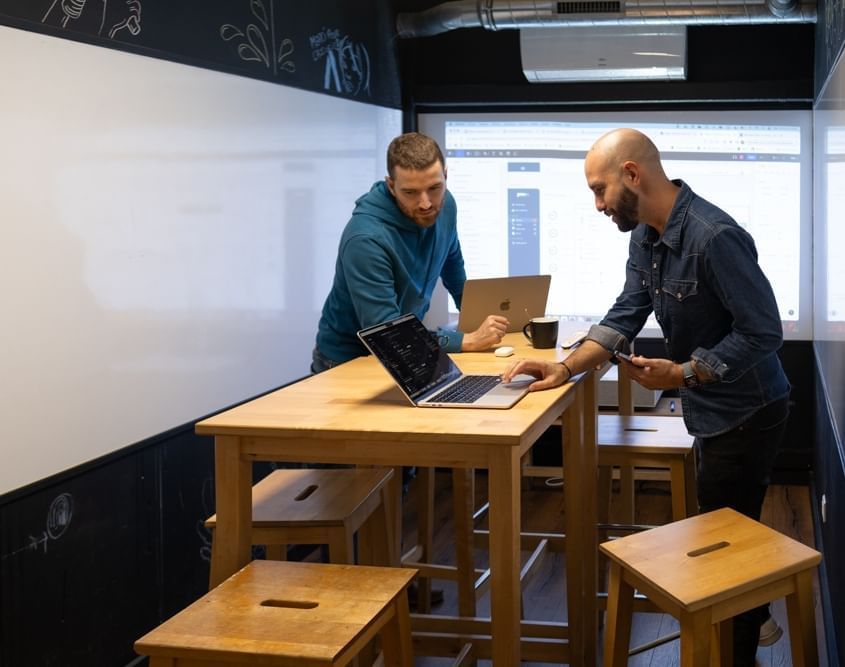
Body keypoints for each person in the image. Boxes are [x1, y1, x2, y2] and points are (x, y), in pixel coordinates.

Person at [502, 128, 790, 666]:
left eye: (600, 189)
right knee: (724, 533)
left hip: (749, 413)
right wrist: (563, 368)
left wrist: (683, 373)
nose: (597, 205)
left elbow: (764, 332)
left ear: (632, 175)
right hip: (710, 408)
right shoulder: (647, 237)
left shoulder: (714, 236)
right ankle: (751, 619)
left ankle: (742, 639)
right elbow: (623, 316)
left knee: (726, 545)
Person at [312, 131, 507, 374]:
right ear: (391, 186)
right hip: (351, 359)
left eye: (434, 187)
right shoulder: (365, 239)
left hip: (405, 347)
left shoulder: (446, 206)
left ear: (446, 176)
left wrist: (479, 320)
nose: (426, 203)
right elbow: (387, 334)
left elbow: (453, 267)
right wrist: (465, 341)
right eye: (411, 192)